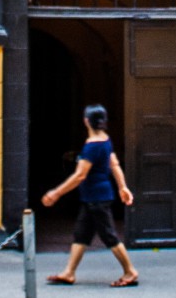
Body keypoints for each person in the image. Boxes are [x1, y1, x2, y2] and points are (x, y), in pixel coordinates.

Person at [41, 104, 140, 288]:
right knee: (81, 235)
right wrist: (122, 187)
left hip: (97, 198)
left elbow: (80, 175)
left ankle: (130, 271)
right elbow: (115, 164)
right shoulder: (105, 140)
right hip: (94, 198)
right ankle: (69, 273)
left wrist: (56, 192)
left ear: (86, 121)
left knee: (109, 236)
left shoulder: (92, 147)